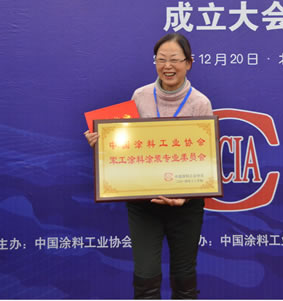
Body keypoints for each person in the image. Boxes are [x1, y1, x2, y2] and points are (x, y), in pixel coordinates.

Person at [84, 33, 213, 299]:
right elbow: (127, 147)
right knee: (145, 278)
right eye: (161, 59)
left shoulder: (200, 103)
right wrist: (102, 142)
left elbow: (205, 160)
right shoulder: (140, 96)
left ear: (189, 63)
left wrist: (186, 196)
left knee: (184, 278)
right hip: (143, 204)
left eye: (175, 59)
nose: (168, 66)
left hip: (185, 206)